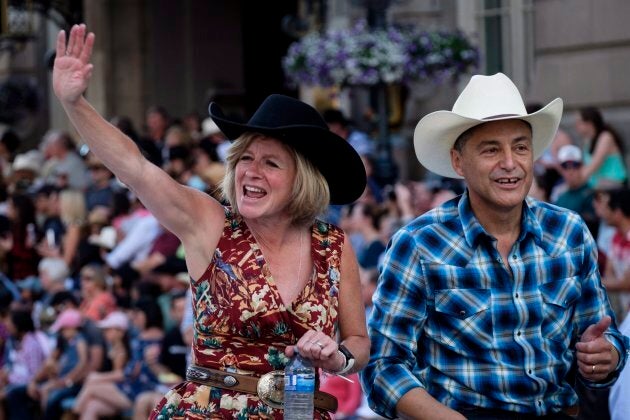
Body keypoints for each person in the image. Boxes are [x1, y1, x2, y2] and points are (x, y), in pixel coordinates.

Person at [53, 24, 369, 419]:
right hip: (209, 410)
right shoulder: (211, 223)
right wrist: (74, 103)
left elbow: (357, 340)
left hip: (300, 412)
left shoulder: (333, 244)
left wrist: (337, 358)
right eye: (244, 159)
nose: (250, 172)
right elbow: (136, 168)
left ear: (301, 181)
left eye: (270, 163)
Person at [361, 72, 629, 419]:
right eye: (491, 149)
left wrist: (606, 356)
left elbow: (605, 340)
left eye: (520, 147)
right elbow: (383, 365)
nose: (510, 163)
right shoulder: (419, 243)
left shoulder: (568, 231)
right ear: (458, 162)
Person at [574, 106, 628, 189]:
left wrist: (576, 181)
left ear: (589, 124)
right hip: (596, 185)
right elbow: (583, 167)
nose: (576, 126)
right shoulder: (587, 140)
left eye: (579, 122)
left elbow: (594, 165)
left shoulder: (605, 137)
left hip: (613, 183)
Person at [552, 144, 599, 237]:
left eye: (575, 165)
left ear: (582, 166)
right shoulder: (561, 196)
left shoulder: (592, 194)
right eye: (565, 166)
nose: (570, 171)